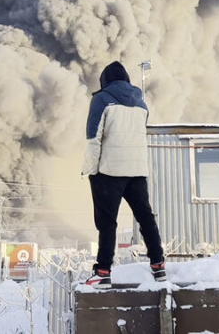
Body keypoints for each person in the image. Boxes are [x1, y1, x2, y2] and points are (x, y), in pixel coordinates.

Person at [82, 61, 166, 288]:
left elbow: (93, 138)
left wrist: (90, 169)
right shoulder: (142, 104)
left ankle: (102, 273)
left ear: (105, 82)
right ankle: (158, 265)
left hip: (109, 171)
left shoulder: (100, 99)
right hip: (137, 171)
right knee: (146, 217)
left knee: (107, 222)